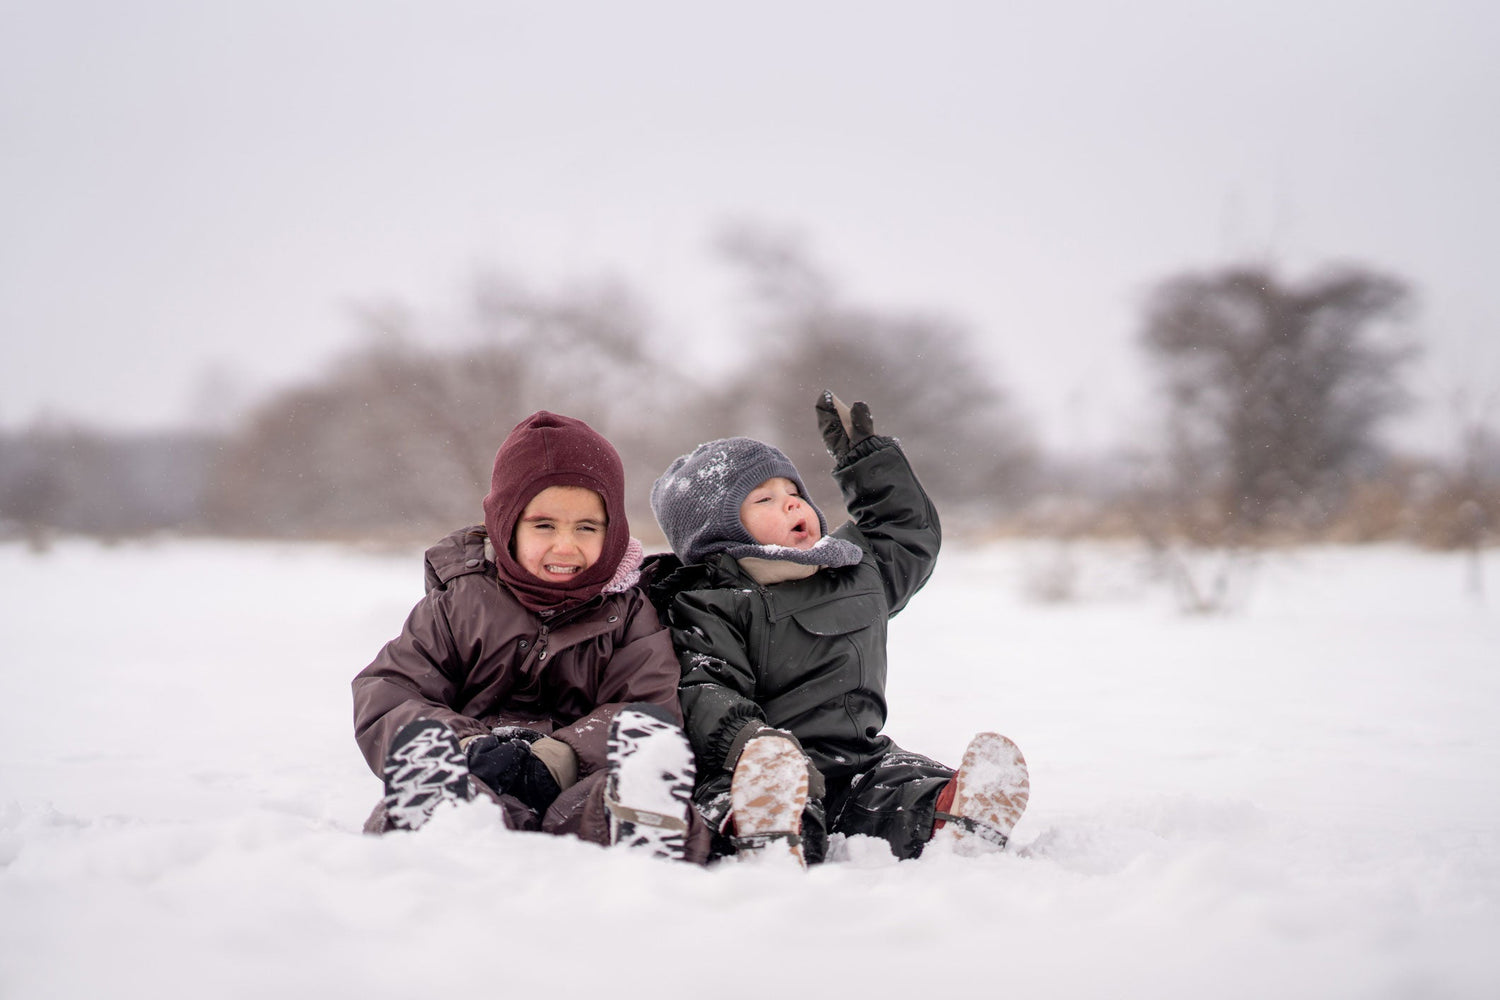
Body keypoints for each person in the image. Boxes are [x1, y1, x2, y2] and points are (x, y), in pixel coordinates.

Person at [646, 391, 1029, 866]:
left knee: (902, 783)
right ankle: (767, 832)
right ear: (716, 530)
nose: (791, 505)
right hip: (756, 762)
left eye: (794, 493)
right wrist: (753, 745)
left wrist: (866, 464)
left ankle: (951, 815)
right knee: (734, 796)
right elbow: (704, 686)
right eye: (765, 499)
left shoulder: (851, 569)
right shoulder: (710, 599)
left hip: (857, 760)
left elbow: (904, 535)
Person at [352, 410, 709, 863]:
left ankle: (642, 821)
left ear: (613, 530)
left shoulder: (629, 609)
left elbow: (646, 706)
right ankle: (434, 813)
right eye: (544, 526)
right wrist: (465, 745)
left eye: (586, 527)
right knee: (452, 794)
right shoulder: (461, 601)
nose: (565, 546)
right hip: (477, 773)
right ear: (507, 525)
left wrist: (561, 757)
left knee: (614, 792)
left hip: (578, 784)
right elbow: (389, 690)